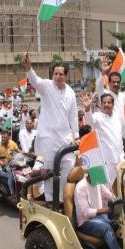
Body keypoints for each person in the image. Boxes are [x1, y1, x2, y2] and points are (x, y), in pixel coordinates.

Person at [24, 53, 78, 202]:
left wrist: (77, 136)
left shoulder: (71, 93)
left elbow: (73, 117)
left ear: (66, 76)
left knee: (67, 167)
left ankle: (62, 201)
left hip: (65, 139)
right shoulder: (47, 86)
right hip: (48, 139)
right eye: (55, 73)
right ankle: (50, 201)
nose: (57, 77)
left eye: (61, 74)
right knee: (48, 172)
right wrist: (29, 67)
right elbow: (35, 80)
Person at [74, 175, 122, 249]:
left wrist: (117, 202)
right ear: (90, 173)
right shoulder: (81, 187)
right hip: (85, 221)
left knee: (117, 223)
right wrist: (106, 210)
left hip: (100, 217)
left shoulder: (97, 180)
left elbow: (108, 195)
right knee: (106, 228)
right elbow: (86, 212)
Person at [80, 90, 123, 185]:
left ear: (113, 104)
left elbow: (119, 137)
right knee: (102, 187)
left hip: (119, 159)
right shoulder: (97, 116)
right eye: (104, 102)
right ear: (101, 104)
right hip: (104, 161)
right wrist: (87, 108)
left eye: (109, 102)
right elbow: (90, 120)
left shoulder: (116, 117)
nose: (106, 104)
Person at [95, 56, 125, 135]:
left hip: (122, 134)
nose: (116, 84)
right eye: (113, 82)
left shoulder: (122, 96)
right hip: (110, 133)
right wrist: (103, 73)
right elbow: (99, 86)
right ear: (109, 83)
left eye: (118, 82)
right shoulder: (105, 94)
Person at [0, 131, 20, 196]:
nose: (3, 139)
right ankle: (12, 194)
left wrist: (26, 154)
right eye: (2, 137)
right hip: (1, 167)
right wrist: (2, 163)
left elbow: (18, 152)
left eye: (5, 137)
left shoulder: (12, 143)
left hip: (12, 165)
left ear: (9, 137)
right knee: (11, 175)